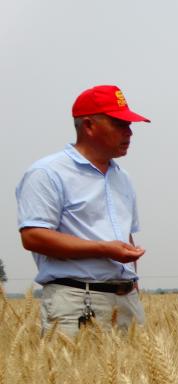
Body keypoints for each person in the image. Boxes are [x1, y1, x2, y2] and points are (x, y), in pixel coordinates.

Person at [16, 85, 150, 336]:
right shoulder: (48, 173)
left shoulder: (123, 178)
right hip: (77, 300)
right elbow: (33, 236)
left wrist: (133, 285)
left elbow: (126, 237)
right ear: (89, 125)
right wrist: (103, 249)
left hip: (126, 301)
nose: (129, 132)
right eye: (119, 124)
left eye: (130, 125)